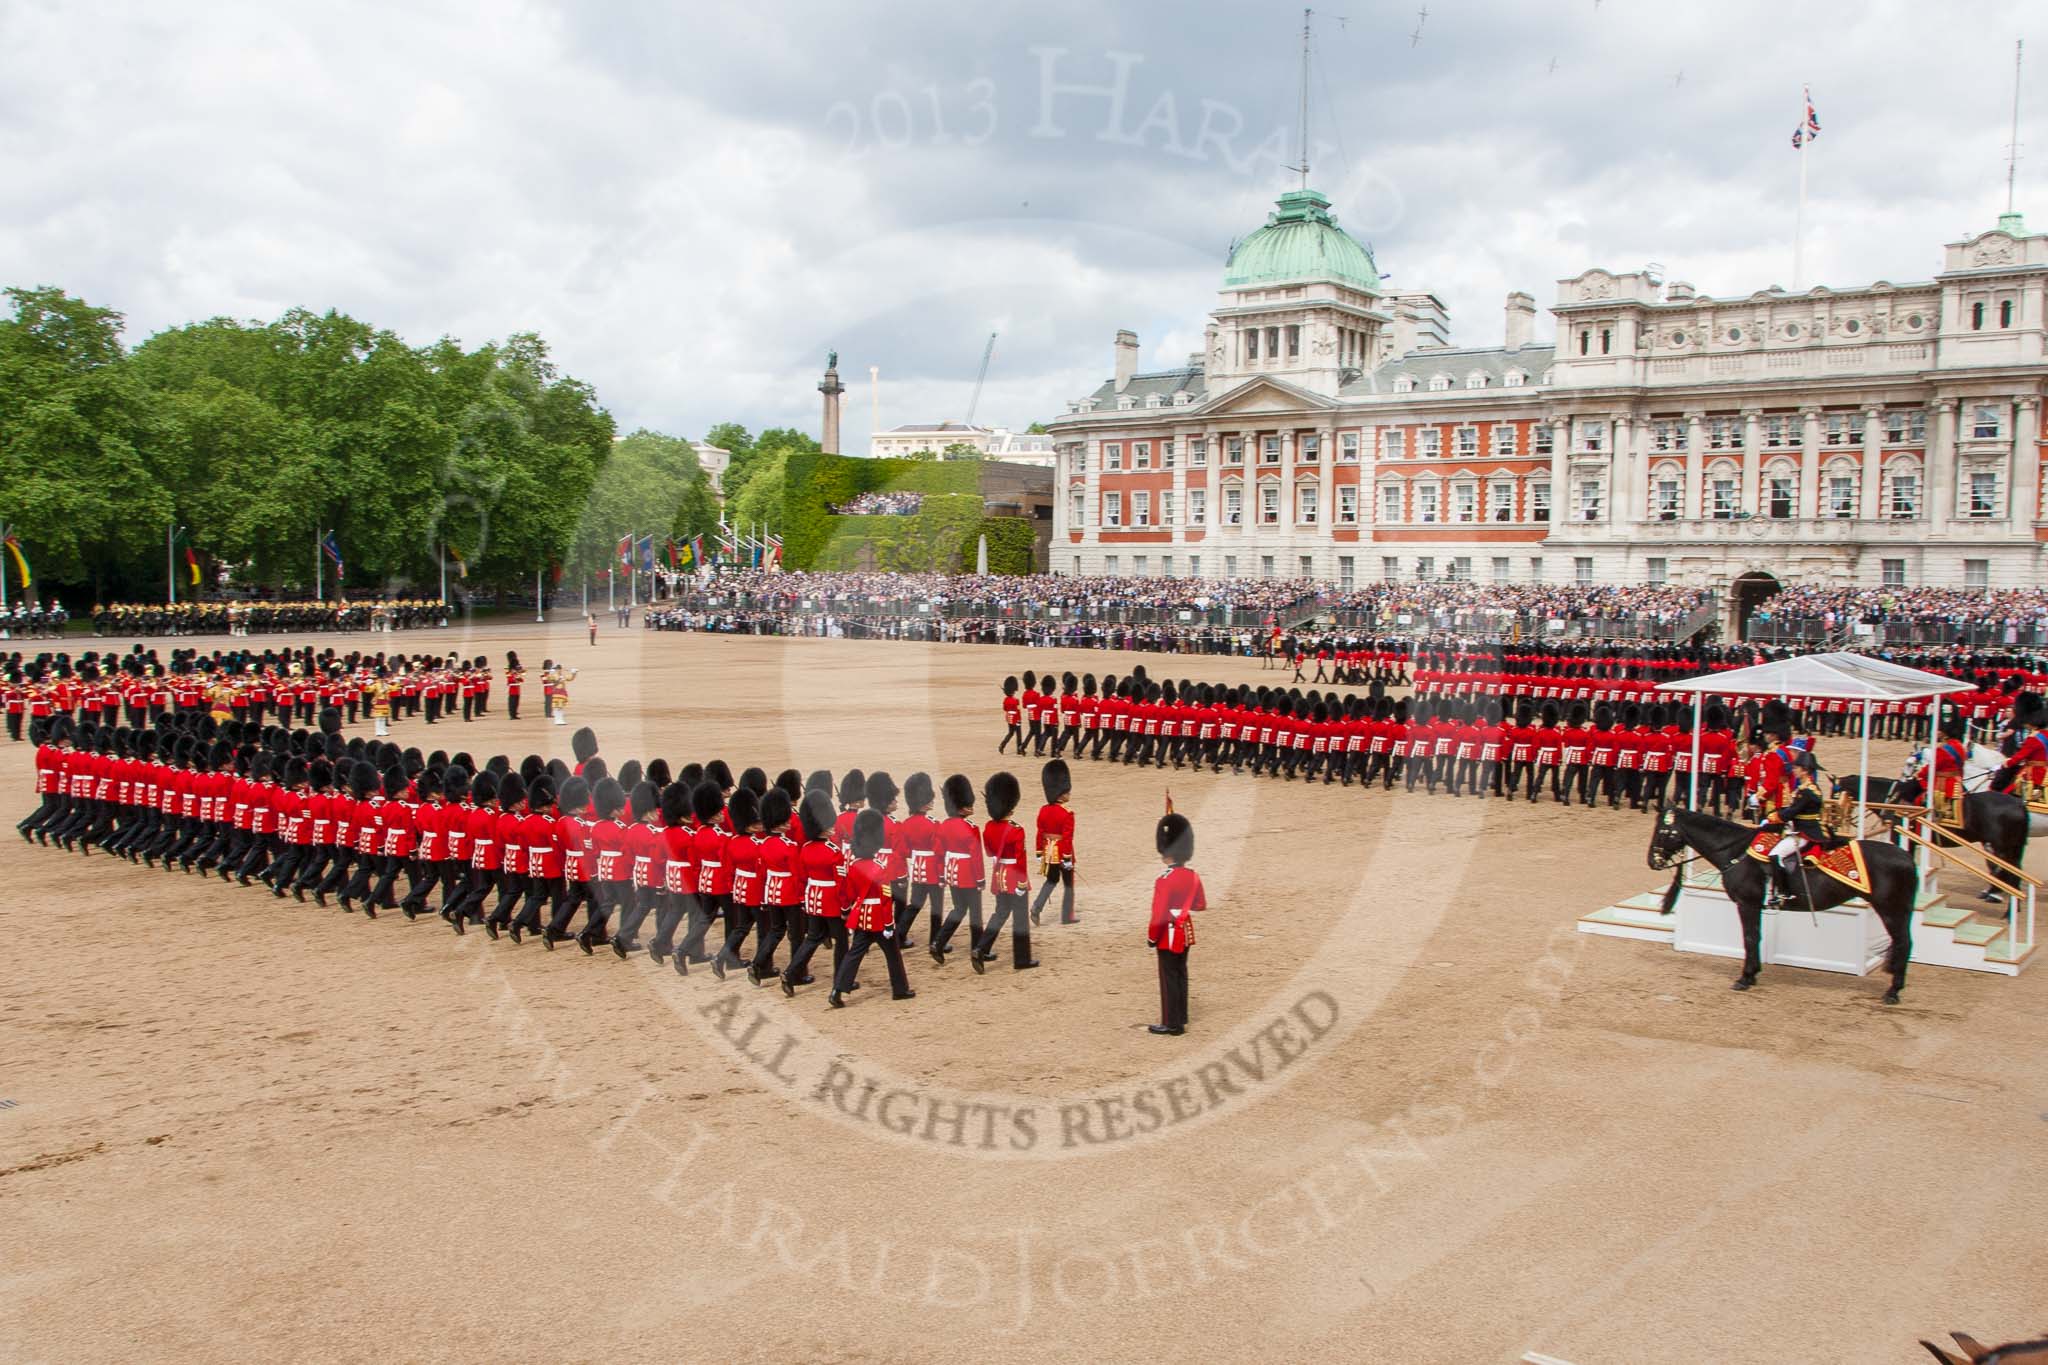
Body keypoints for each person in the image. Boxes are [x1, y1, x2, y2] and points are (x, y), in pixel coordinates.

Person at [829, 808, 914, 1007]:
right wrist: (888, 925)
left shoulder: (854, 866)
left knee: (854, 954)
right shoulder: (880, 867)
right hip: (878, 918)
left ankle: (837, 990)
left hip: (861, 918)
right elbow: (885, 900)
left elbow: (849, 895)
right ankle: (900, 990)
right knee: (893, 954)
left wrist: (848, 910)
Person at [970, 771, 1037, 973]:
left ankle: (981, 947)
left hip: (999, 876)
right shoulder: (1016, 830)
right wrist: (1022, 883)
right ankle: (1022, 959)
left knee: (1000, 913)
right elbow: (1020, 861)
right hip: (1015, 877)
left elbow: (990, 851)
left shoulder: (988, 827)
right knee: (1020, 919)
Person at [1147, 808, 1205, 1036]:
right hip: (1185, 930)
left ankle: (1172, 1023)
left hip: (1168, 933)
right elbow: (1200, 905)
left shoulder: (1164, 881)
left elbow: (1158, 916)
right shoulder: (1193, 876)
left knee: (1169, 976)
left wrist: (1152, 937)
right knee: (1181, 972)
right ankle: (1181, 1015)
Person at [1028, 758, 1076, 926]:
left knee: (1051, 881)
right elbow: (1067, 838)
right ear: (1061, 794)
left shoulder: (1044, 810)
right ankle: (1067, 916)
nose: (1069, 794)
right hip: (1062, 852)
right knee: (1069, 884)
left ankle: (1036, 907)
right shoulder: (1067, 813)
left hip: (1048, 852)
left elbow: (1039, 833)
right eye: (1067, 791)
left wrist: (1039, 852)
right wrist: (1068, 858)